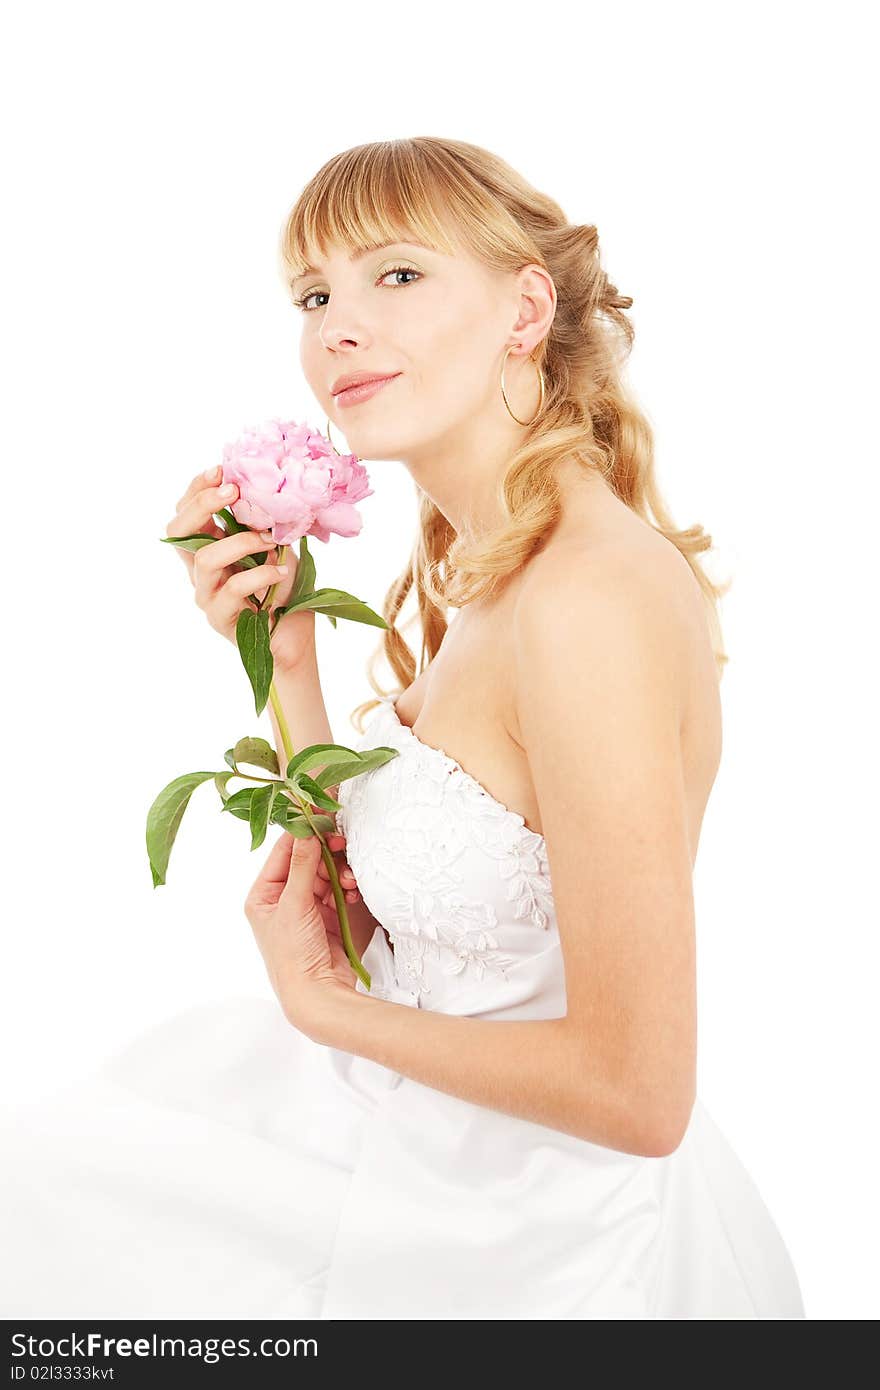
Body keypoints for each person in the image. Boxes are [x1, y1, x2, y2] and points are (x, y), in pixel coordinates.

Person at [0, 137, 805, 1319]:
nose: (335, 327)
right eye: (313, 295)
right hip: (434, 1169)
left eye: (394, 276)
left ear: (525, 308)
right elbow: (401, 934)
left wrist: (328, 1012)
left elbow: (639, 1090)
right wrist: (278, 650)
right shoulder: (491, 580)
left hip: (549, 1250)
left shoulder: (591, 594)